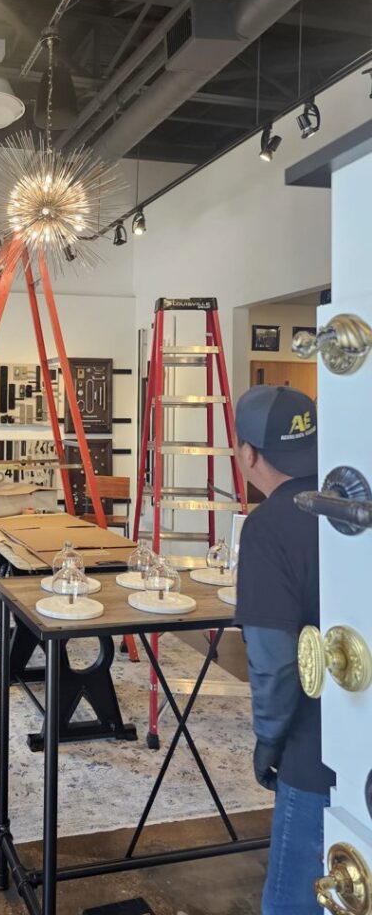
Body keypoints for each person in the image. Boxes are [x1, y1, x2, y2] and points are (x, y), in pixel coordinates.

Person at [234, 385, 334, 915]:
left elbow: (275, 661)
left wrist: (268, 742)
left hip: (313, 750)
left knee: (291, 903)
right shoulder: (350, 500)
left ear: (249, 454)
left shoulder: (268, 527)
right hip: (361, 740)